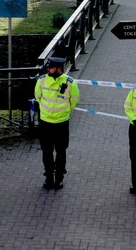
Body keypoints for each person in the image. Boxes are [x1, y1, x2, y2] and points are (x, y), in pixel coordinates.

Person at [34, 57, 80, 190]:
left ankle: (59, 177)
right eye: (48, 68)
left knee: (61, 151)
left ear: (59, 68)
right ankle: (49, 177)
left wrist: (64, 112)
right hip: (45, 122)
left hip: (61, 123)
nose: (48, 69)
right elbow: (38, 96)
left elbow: (74, 101)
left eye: (51, 68)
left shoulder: (70, 83)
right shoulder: (42, 80)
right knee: (46, 151)